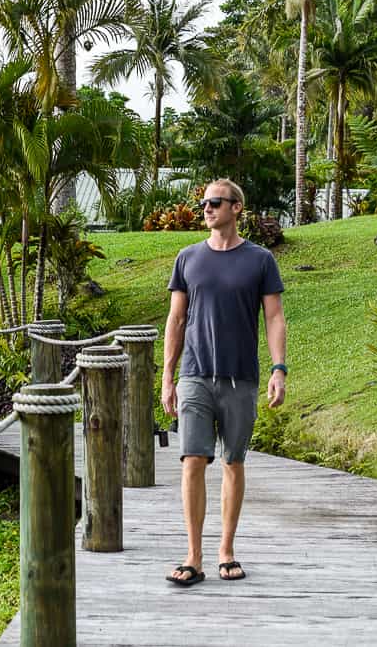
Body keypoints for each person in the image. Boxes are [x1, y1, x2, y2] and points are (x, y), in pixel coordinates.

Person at [161, 177, 286, 587]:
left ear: (237, 208)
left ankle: (226, 550)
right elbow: (176, 320)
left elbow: (273, 317)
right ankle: (193, 555)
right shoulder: (188, 258)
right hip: (195, 374)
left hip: (241, 379)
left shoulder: (260, 260)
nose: (207, 209)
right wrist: (167, 376)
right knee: (192, 460)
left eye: (216, 202)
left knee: (233, 461)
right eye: (204, 203)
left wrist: (278, 369)